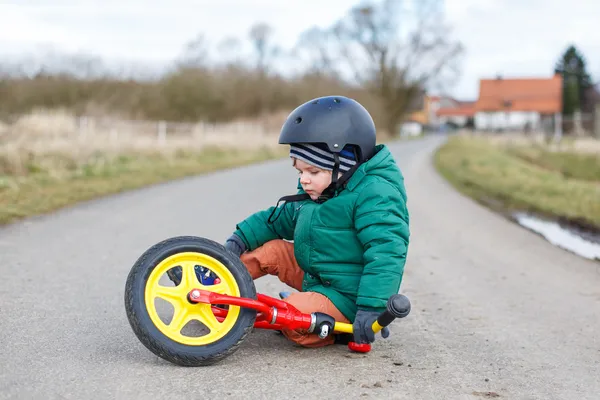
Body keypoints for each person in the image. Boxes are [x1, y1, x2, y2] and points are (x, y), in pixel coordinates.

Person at [225, 95, 411, 347]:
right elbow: (276, 220)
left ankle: (332, 327)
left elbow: (386, 252)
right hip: (317, 275)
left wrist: (371, 308)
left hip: (348, 296)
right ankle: (217, 281)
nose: (304, 179)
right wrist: (237, 241)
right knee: (271, 251)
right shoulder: (318, 191)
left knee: (290, 318)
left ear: (344, 166)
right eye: (300, 171)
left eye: (313, 171)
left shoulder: (376, 194)